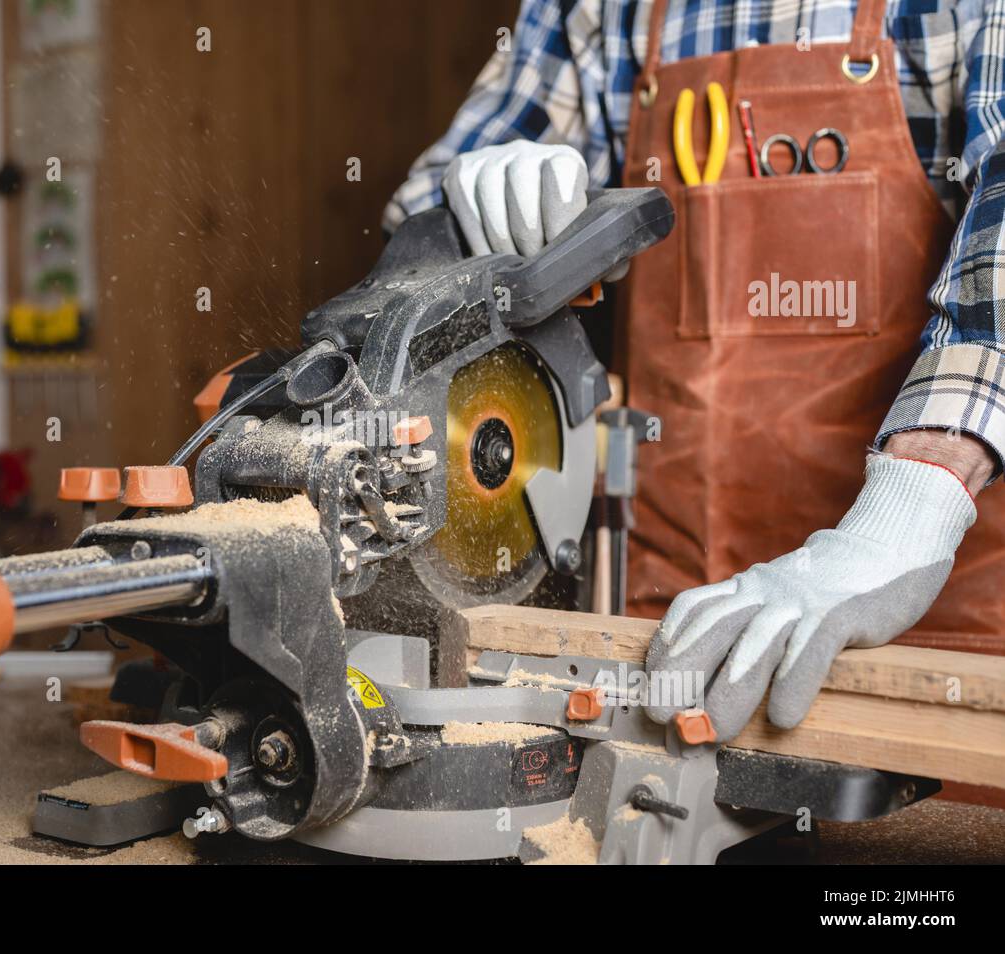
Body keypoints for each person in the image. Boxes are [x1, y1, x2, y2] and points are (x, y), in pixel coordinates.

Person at [385, 0, 1003, 740]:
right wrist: (467, 222)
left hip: (929, 636)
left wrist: (913, 509)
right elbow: (411, 274)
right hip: (663, 627)